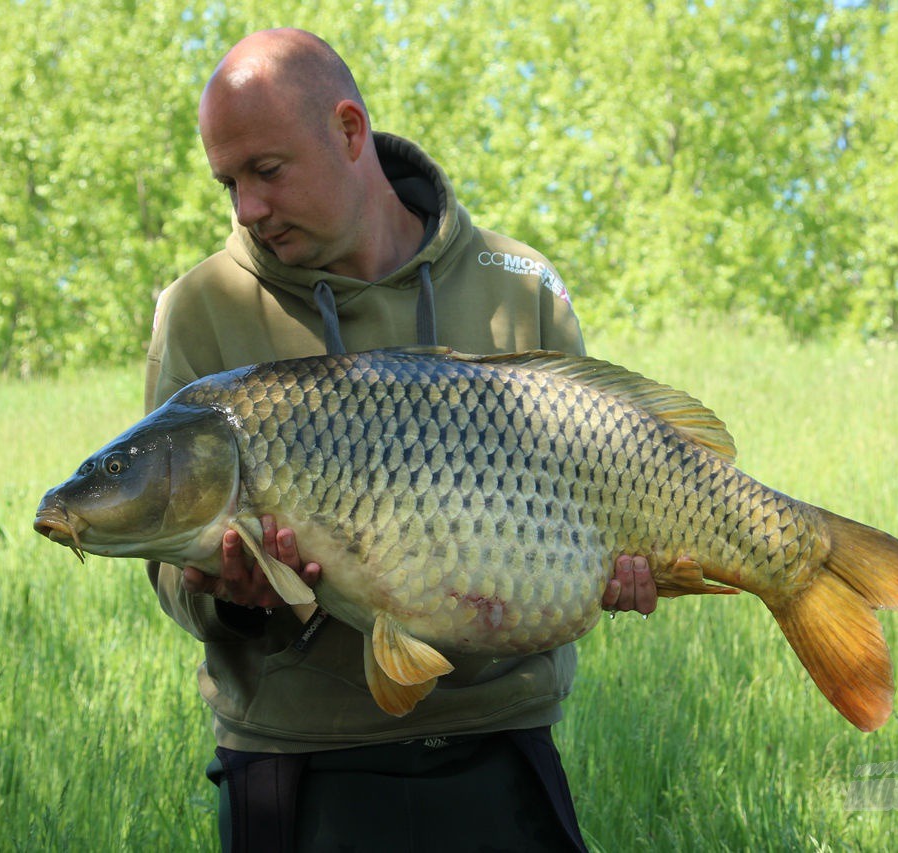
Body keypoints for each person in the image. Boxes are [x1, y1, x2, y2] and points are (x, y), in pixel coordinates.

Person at [144, 28, 658, 853]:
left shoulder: (515, 284)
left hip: (500, 738)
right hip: (296, 758)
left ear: (349, 132)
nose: (247, 208)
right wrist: (222, 593)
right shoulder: (202, 307)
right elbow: (167, 562)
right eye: (228, 182)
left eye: (266, 172)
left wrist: (626, 564)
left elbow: (600, 489)